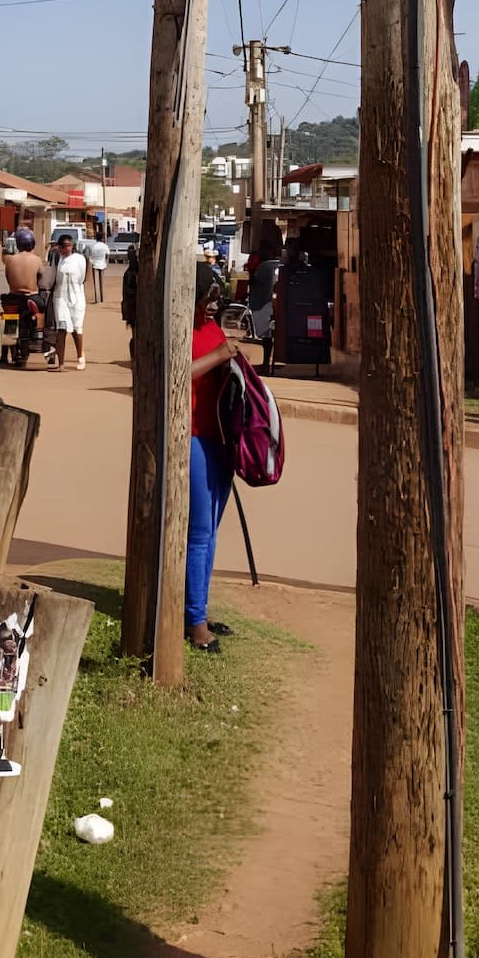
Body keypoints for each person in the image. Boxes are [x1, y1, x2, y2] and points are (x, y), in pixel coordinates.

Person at [187, 261, 239, 655]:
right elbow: (177, 374)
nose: (211, 305)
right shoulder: (178, 330)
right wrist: (221, 355)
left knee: (212, 531)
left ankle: (200, 607)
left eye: (215, 298)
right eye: (206, 297)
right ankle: (195, 623)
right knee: (199, 534)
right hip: (194, 438)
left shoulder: (210, 327)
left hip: (218, 437)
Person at [50, 231, 88, 371]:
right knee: (62, 328)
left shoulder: (80, 259)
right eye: (64, 246)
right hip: (60, 297)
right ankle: (61, 364)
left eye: (69, 245)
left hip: (77, 296)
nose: (67, 248)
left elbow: (83, 277)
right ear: (59, 247)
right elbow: (52, 277)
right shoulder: (56, 258)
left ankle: (80, 357)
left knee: (77, 328)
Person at [247, 250, 282, 376]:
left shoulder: (264, 267)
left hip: (263, 304)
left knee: (266, 336)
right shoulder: (275, 266)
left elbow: (254, 283)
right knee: (269, 336)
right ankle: (267, 363)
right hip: (272, 303)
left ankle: (266, 363)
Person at [121, 244, 139, 362]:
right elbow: (128, 291)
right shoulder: (130, 273)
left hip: (134, 307)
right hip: (133, 307)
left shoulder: (134, 271)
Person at [86, 226, 108, 303]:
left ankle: (97, 299)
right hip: (103, 265)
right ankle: (102, 299)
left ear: (96, 238)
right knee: (101, 283)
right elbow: (107, 255)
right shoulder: (105, 246)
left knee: (96, 283)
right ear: (102, 238)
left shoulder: (93, 246)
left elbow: (88, 255)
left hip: (94, 265)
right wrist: (105, 262)